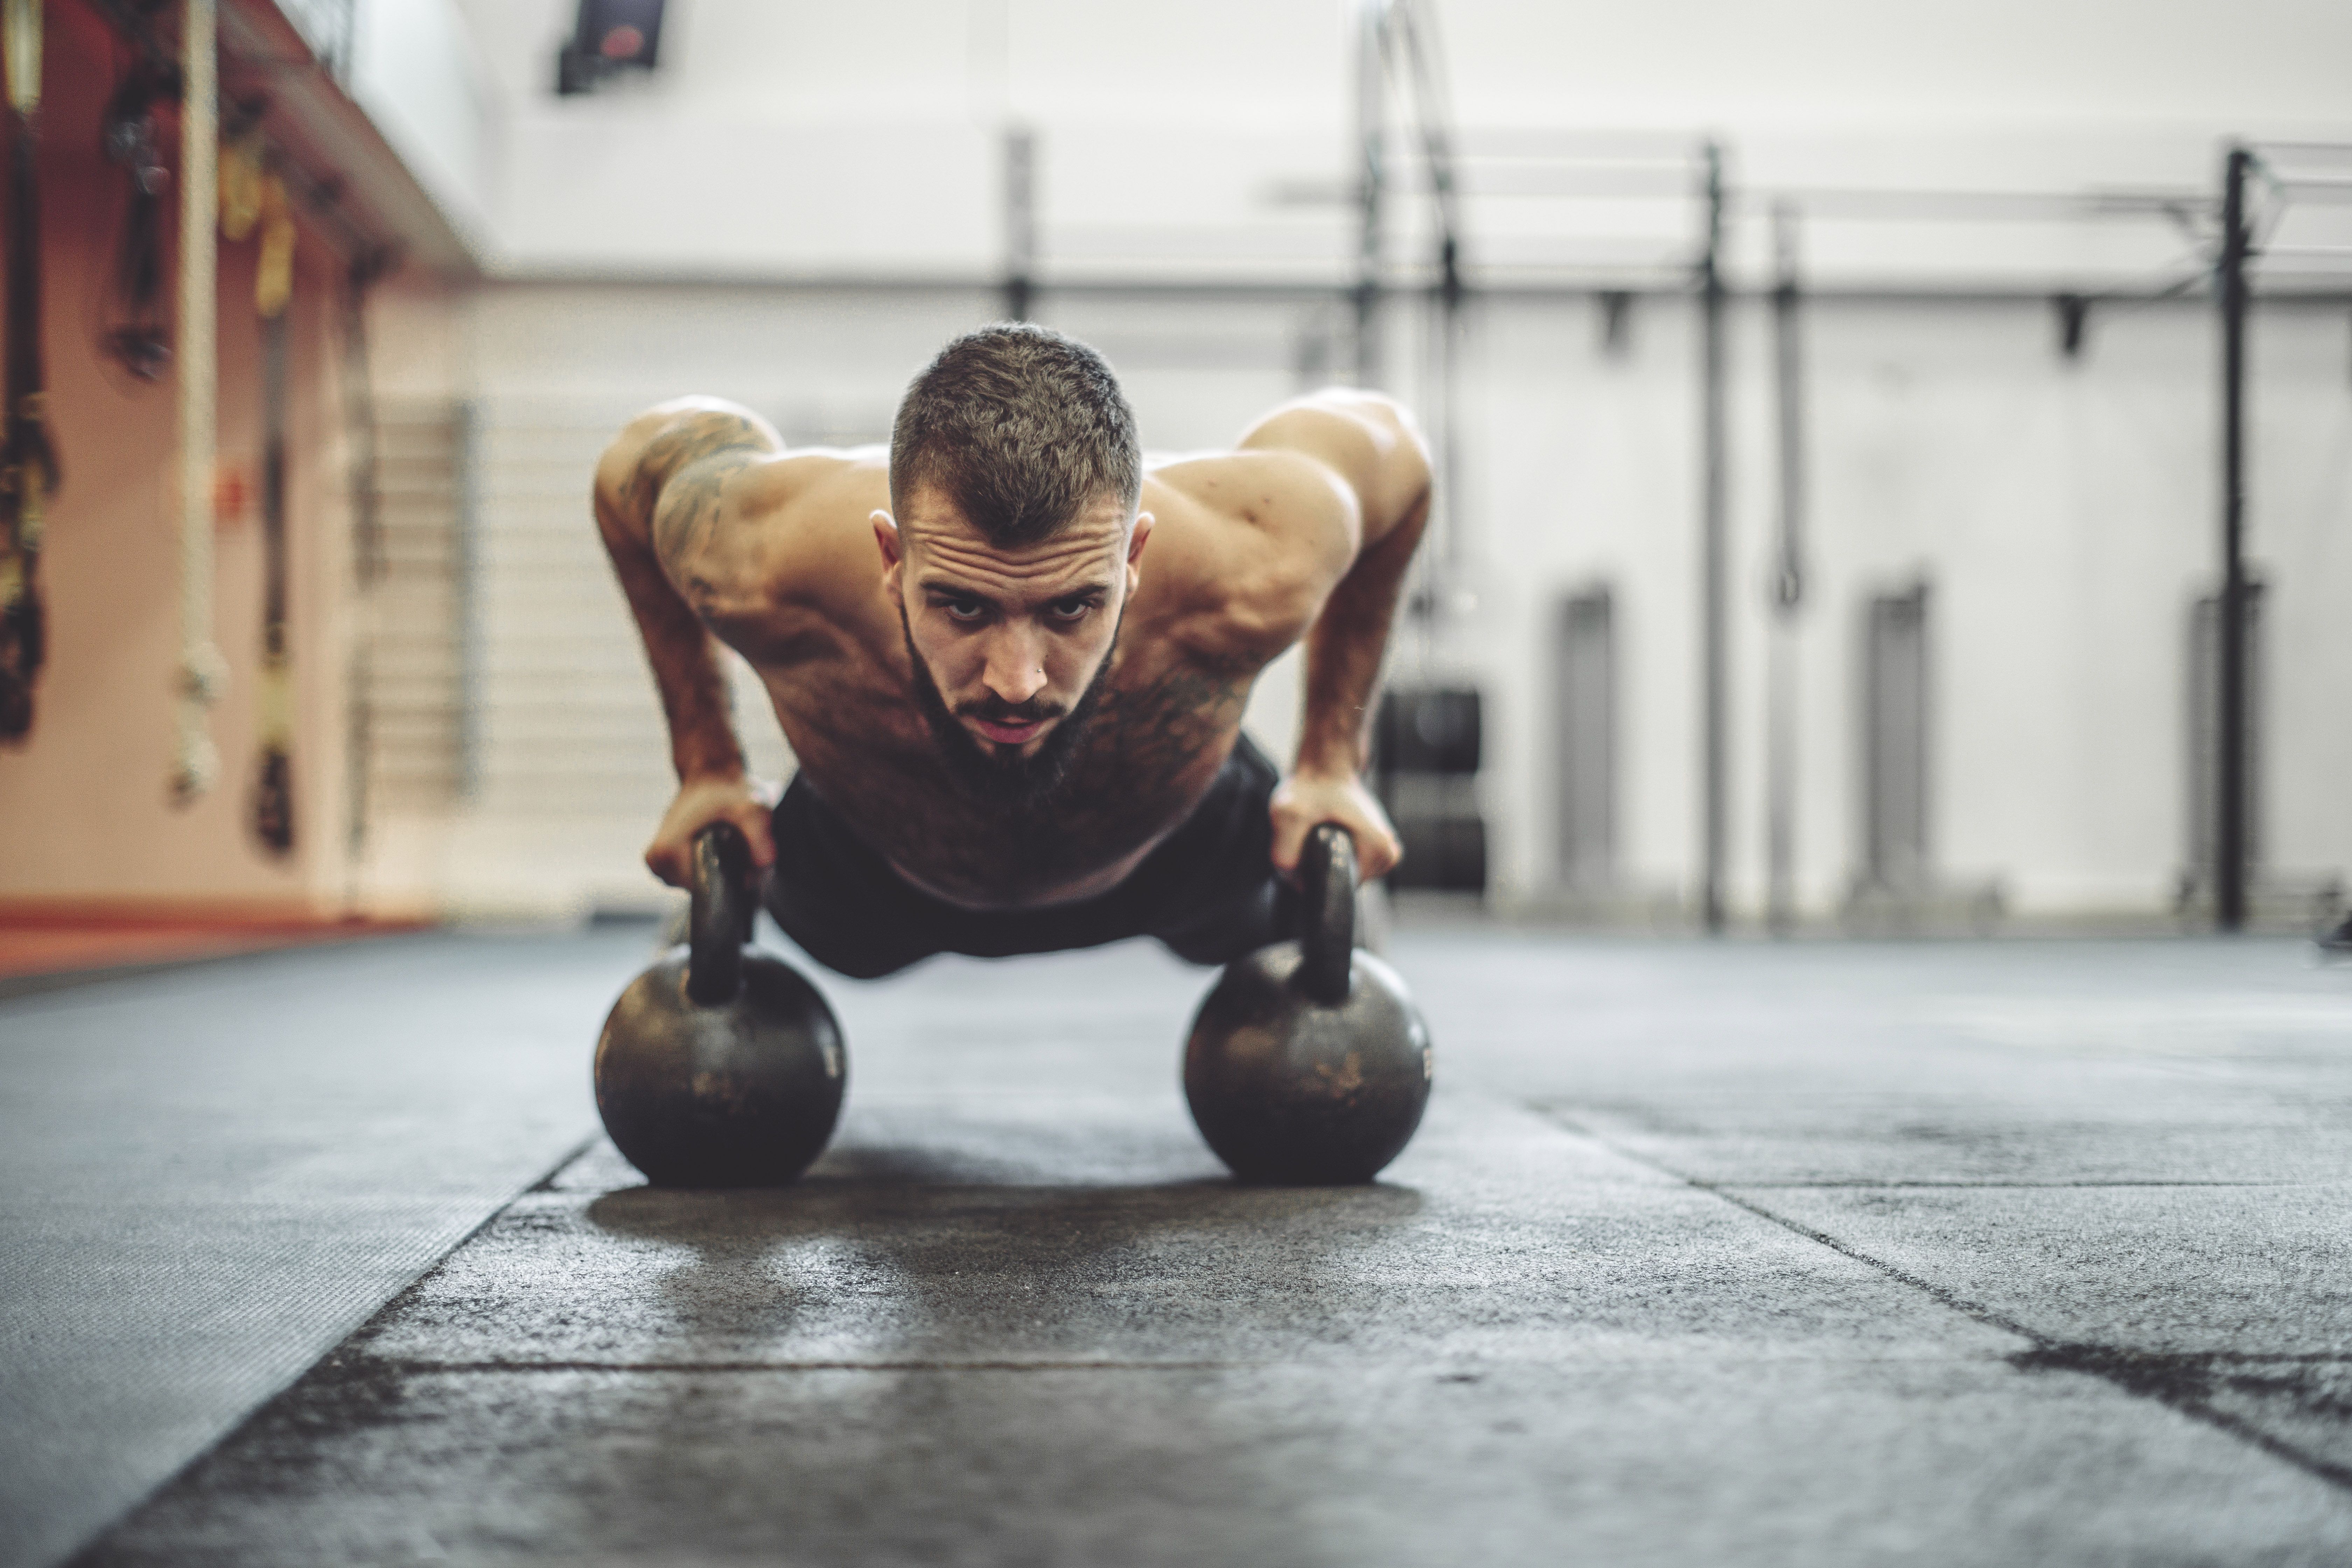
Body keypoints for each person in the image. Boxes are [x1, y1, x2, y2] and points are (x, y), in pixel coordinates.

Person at [592, 322, 1429, 979]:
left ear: (1130, 560)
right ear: (894, 559)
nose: (1017, 682)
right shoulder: (767, 557)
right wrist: (707, 768)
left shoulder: (1255, 552)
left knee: (1266, 917)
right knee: (814, 920)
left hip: (1184, 862)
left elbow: (1399, 460)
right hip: (868, 881)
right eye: (963, 605)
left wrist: (1332, 765)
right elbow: (634, 468)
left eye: (1072, 607)